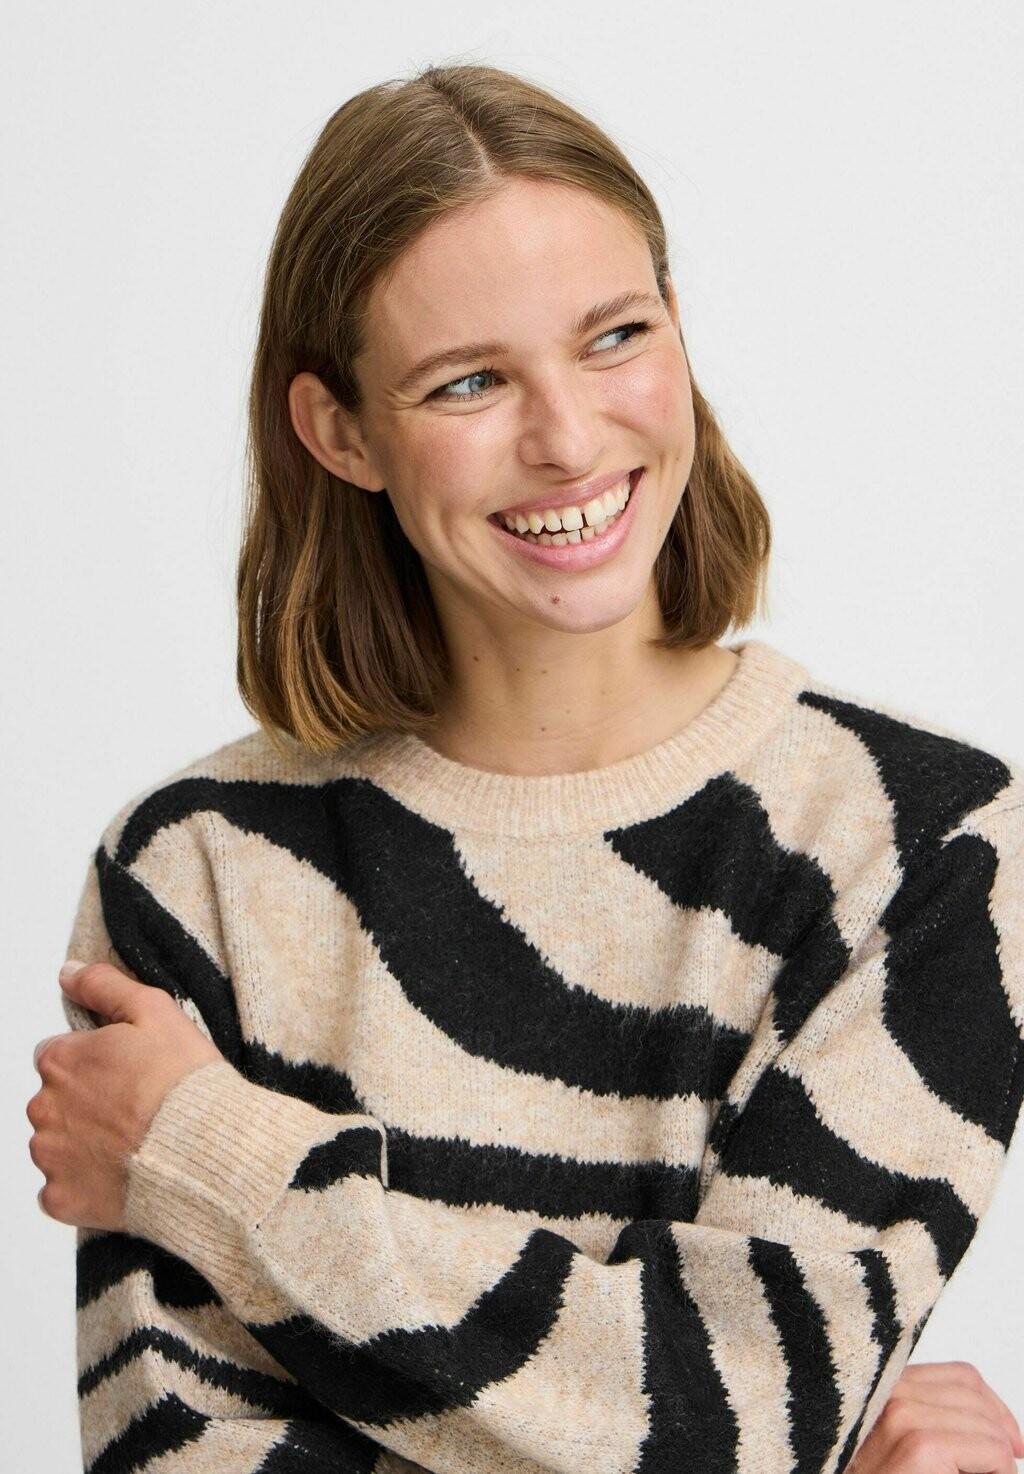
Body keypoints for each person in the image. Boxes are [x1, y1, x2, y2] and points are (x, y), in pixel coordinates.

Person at [32, 61, 1024, 1474]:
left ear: (678, 323)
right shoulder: (202, 871)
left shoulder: (918, 843)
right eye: (470, 381)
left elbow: (753, 1409)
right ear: (341, 431)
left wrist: (210, 1157)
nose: (566, 440)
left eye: (615, 337)